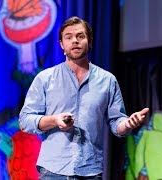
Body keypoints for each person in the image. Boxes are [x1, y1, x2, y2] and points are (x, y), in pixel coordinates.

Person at [19, 16, 149, 180]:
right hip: (53, 171)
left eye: (80, 36)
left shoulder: (107, 80)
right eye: (69, 37)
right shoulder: (45, 78)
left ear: (90, 42)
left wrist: (128, 124)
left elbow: (117, 122)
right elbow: (25, 121)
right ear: (61, 45)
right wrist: (54, 120)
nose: (75, 41)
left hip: (90, 171)